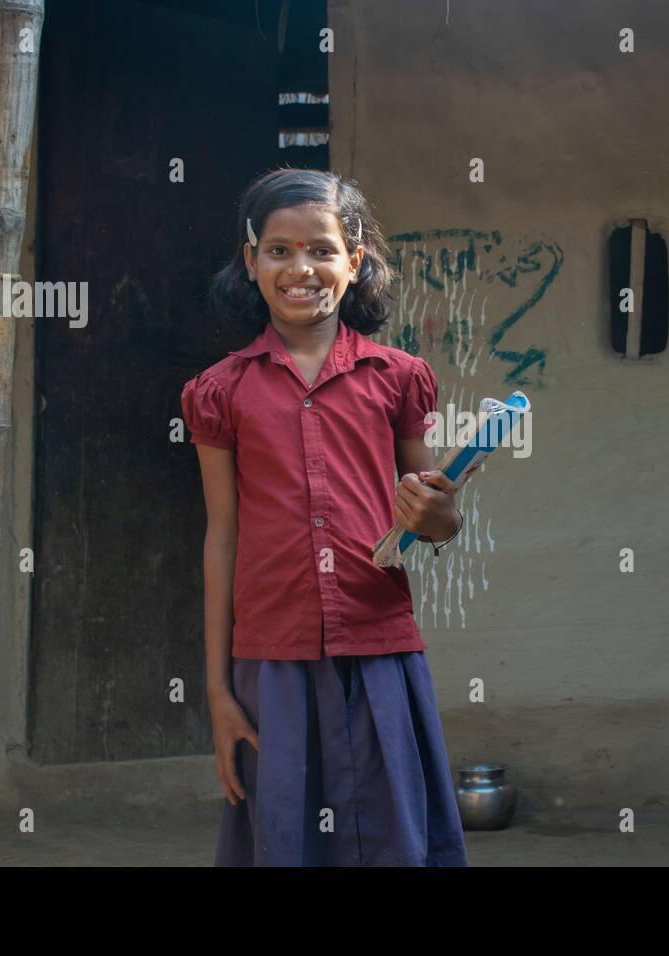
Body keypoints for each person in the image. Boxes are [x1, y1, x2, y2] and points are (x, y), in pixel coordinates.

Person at [181, 168, 468, 866]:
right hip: (270, 659)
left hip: (379, 648)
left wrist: (437, 513)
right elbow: (222, 538)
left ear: (355, 260)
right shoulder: (219, 392)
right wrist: (218, 692)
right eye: (279, 250)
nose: (300, 268)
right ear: (251, 262)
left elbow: (434, 520)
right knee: (285, 839)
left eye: (321, 249)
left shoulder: (398, 377)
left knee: (391, 836)